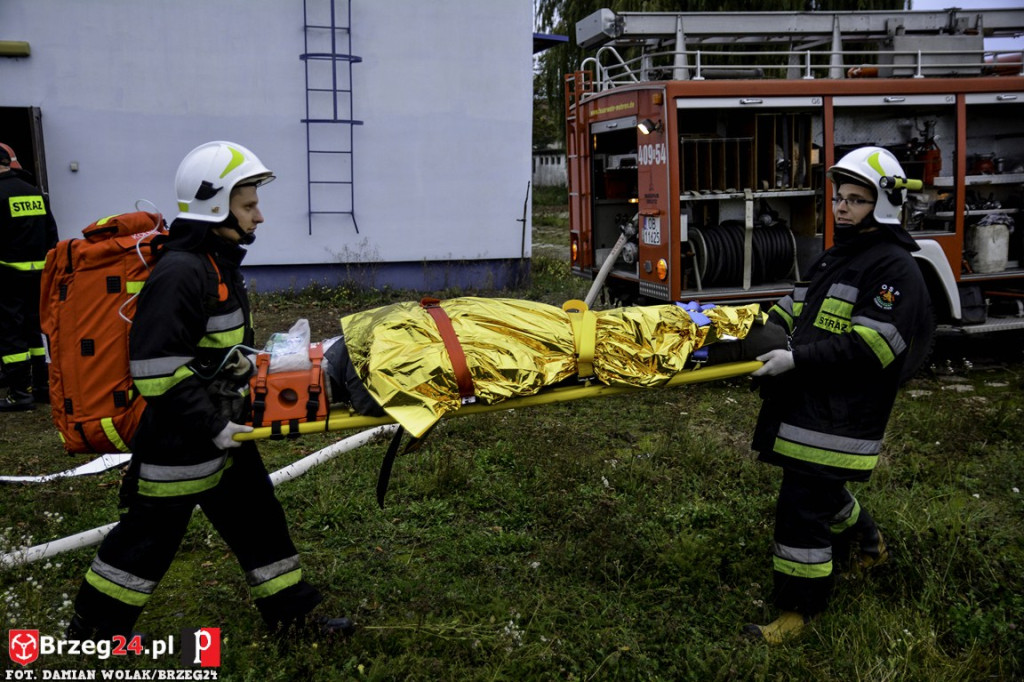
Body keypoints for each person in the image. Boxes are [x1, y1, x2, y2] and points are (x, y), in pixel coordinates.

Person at [67, 141, 353, 640]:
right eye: (248, 206)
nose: (258, 217)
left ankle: (292, 619)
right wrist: (214, 425)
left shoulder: (217, 264)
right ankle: (92, 633)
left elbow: (211, 352)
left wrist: (258, 369)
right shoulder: (182, 273)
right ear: (215, 207)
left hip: (223, 433)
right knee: (145, 541)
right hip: (182, 440)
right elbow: (155, 368)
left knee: (260, 521)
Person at [742, 146, 931, 644]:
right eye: (838, 197)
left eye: (855, 199)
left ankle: (798, 614)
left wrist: (796, 359)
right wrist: (752, 328)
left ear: (884, 203)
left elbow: (873, 346)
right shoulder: (843, 254)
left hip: (842, 416)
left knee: (801, 508)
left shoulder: (894, 269)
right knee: (820, 490)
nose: (841, 207)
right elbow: (800, 303)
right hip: (811, 406)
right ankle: (869, 545)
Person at [0, 142, 58, 410]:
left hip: (7, 275)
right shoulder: (35, 193)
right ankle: (43, 387)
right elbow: (51, 234)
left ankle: (19, 393)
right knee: (37, 331)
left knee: (12, 332)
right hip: (39, 275)